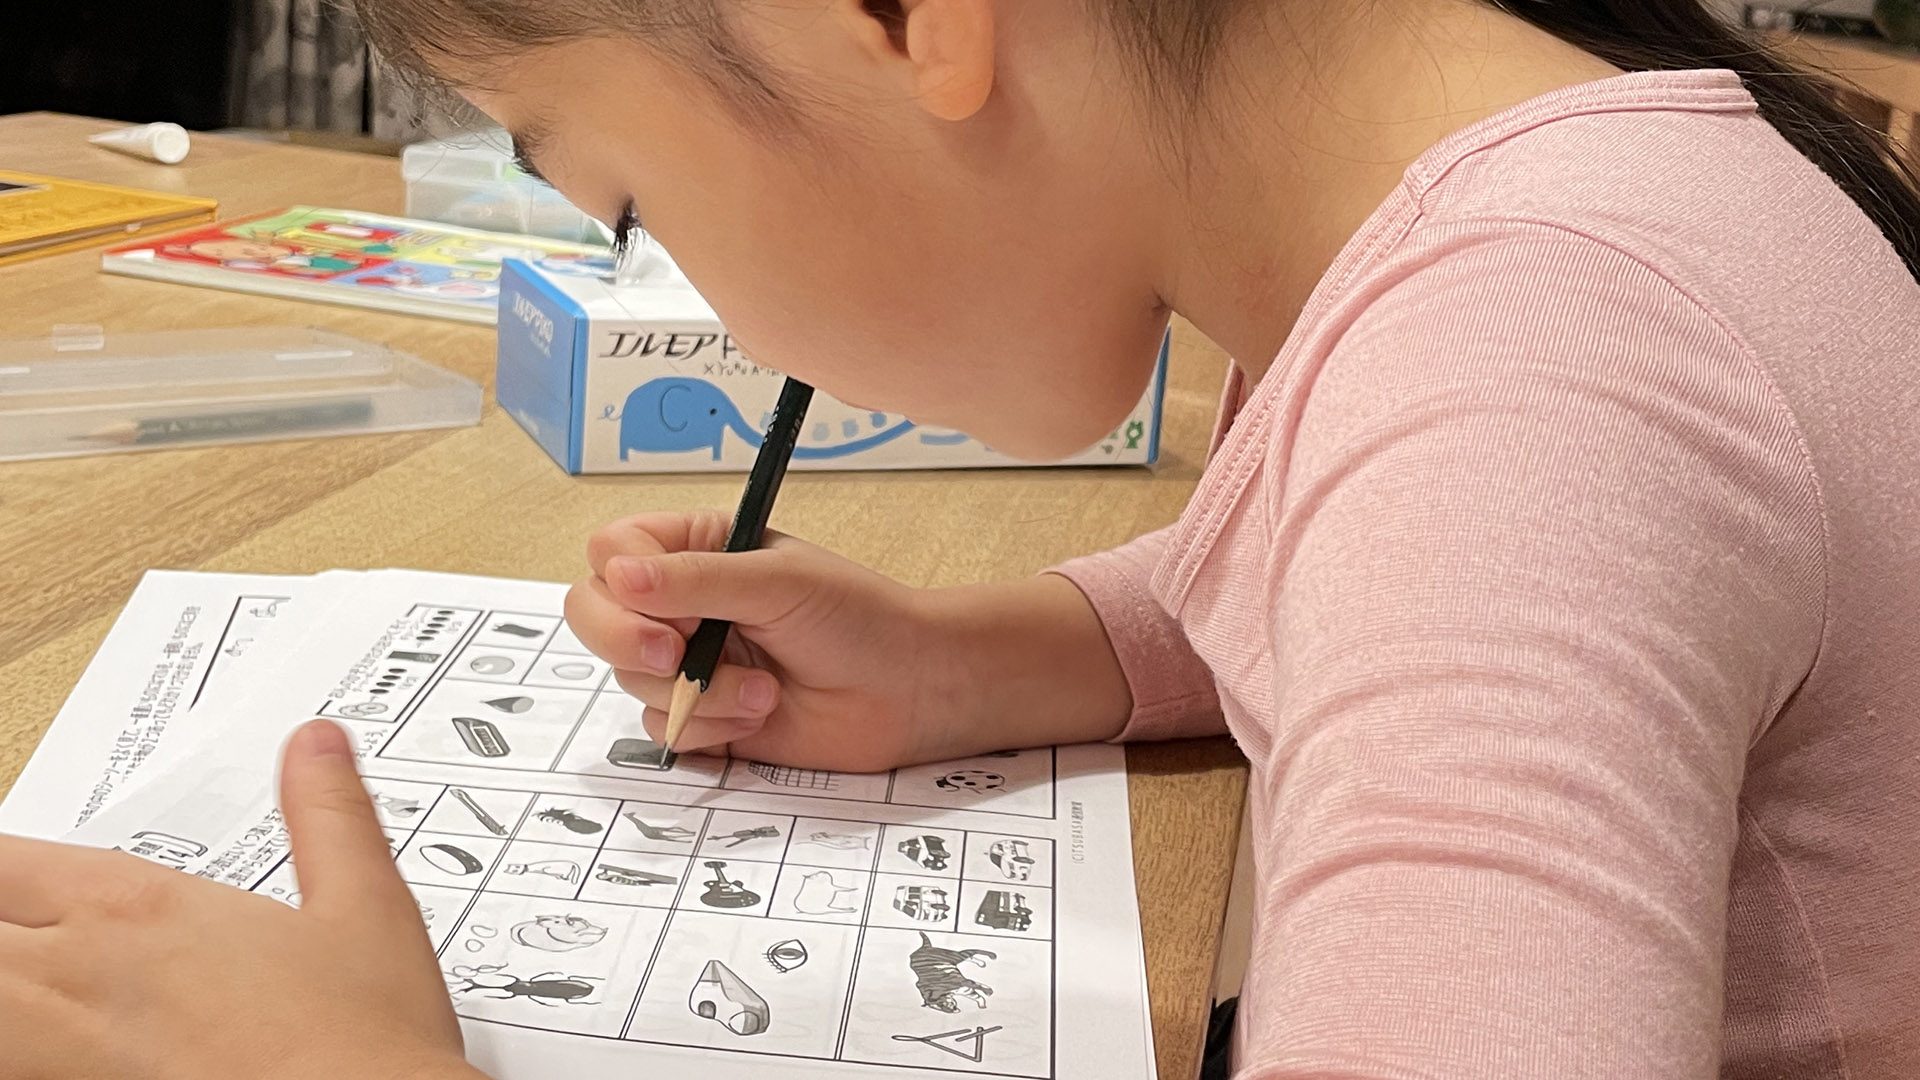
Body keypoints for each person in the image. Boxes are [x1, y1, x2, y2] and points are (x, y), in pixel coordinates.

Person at [1, 2, 1915, 1077]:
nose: (701, 304)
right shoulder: (1547, 223)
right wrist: (993, 658)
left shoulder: (1531, 364)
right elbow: (1383, 580)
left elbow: (1489, 521)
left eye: (629, 202)